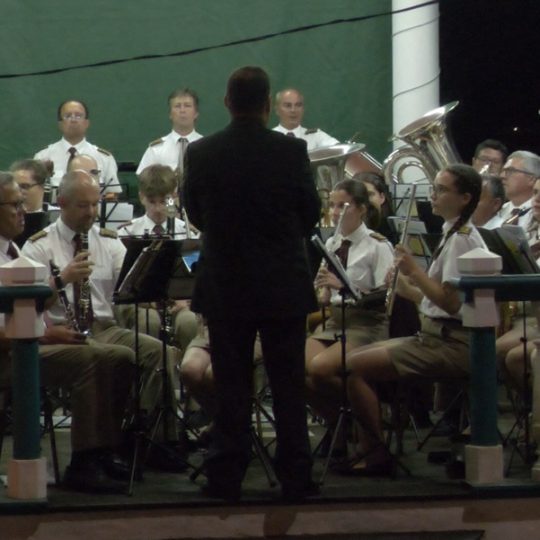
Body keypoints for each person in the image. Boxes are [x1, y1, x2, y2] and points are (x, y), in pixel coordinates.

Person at [183, 66, 321, 502]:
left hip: (226, 283)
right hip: (282, 283)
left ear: (227, 102)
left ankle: (225, 476)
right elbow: (310, 213)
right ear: (267, 104)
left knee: (231, 385)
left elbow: (195, 214)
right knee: (287, 384)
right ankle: (295, 476)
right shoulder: (291, 150)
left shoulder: (202, 152)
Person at [21, 170, 186, 469]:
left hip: (104, 327)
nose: (92, 212)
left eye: (95, 204)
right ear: (62, 203)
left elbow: (131, 284)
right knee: (113, 356)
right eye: (83, 205)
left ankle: (153, 439)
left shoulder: (108, 242)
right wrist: (63, 279)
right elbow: (27, 304)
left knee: (158, 352)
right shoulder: (39, 245)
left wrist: (153, 288)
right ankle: (102, 449)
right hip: (62, 330)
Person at [344, 164, 485, 475]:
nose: (433, 195)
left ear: (464, 198)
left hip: (452, 343)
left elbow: (450, 303)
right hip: (436, 335)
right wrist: (404, 287)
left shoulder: (463, 239)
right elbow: (433, 300)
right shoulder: (452, 232)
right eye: (434, 188)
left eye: (442, 190)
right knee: (353, 360)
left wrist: (414, 271)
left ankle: (375, 454)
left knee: (354, 367)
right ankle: (373, 444)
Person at [0, 172, 135, 493]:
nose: (23, 211)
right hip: (10, 353)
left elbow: (31, 307)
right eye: (14, 205)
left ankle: (105, 449)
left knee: (120, 356)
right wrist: (46, 334)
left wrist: (49, 325)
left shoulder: (12, 250)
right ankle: (83, 462)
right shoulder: (28, 247)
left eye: (22, 203)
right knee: (90, 358)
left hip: (28, 342)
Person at [305, 179, 393, 437]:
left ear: (362, 209)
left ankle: (368, 422)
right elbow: (325, 292)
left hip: (367, 323)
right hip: (335, 321)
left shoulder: (378, 245)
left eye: (343, 206)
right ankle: (341, 425)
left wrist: (343, 286)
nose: (335, 213)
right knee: (294, 368)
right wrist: (323, 291)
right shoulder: (333, 243)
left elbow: (385, 295)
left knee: (320, 368)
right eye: (332, 205)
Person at [117, 164, 198, 353]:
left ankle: (186, 369)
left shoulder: (188, 233)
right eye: (152, 201)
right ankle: (148, 370)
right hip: (140, 304)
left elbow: (194, 276)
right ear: (141, 197)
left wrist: (185, 301)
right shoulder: (127, 233)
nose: (158, 208)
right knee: (148, 322)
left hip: (178, 304)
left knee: (189, 322)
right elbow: (123, 283)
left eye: (164, 201)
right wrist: (148, 302)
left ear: (174, 196)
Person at [34, 100, 122, 197]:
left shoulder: (105, 158)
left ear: (86, 123)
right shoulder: (42, 157)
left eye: (78, 116)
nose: (73, 120)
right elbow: (34, 192)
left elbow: (113, 193)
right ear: (60, 123)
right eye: (68, 116)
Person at [137, 88, 203, 176]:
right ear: (170, 114)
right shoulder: (156, 149)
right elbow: (144, 179)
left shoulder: (207, 147)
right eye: (177, 106)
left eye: (187, 106)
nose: (182, 110)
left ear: (196, 113)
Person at [10, 159, 57, 247]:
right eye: (15, 187)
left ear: (43, 186)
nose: (18, 192)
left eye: (24, 186)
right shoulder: (6, 218)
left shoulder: (55, 217)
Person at [273, 88, 338, 150]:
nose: (293, 110)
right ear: (277, 110)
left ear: (303, 109)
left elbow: (339, 149)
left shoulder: (315, 136)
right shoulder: (269, 138)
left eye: (298, 105)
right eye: (288, 105)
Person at [499, 150, 540, 228]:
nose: (502, 176)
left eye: (510, 171)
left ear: (531, 179)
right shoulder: (496, 210)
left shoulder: (538, 213)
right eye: (503, 171)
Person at [352, 171, 396, 243]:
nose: (364, 199)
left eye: (370, 194)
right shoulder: (347, 226)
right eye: (359, 194)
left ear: (382, 197)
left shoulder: (393, 229)